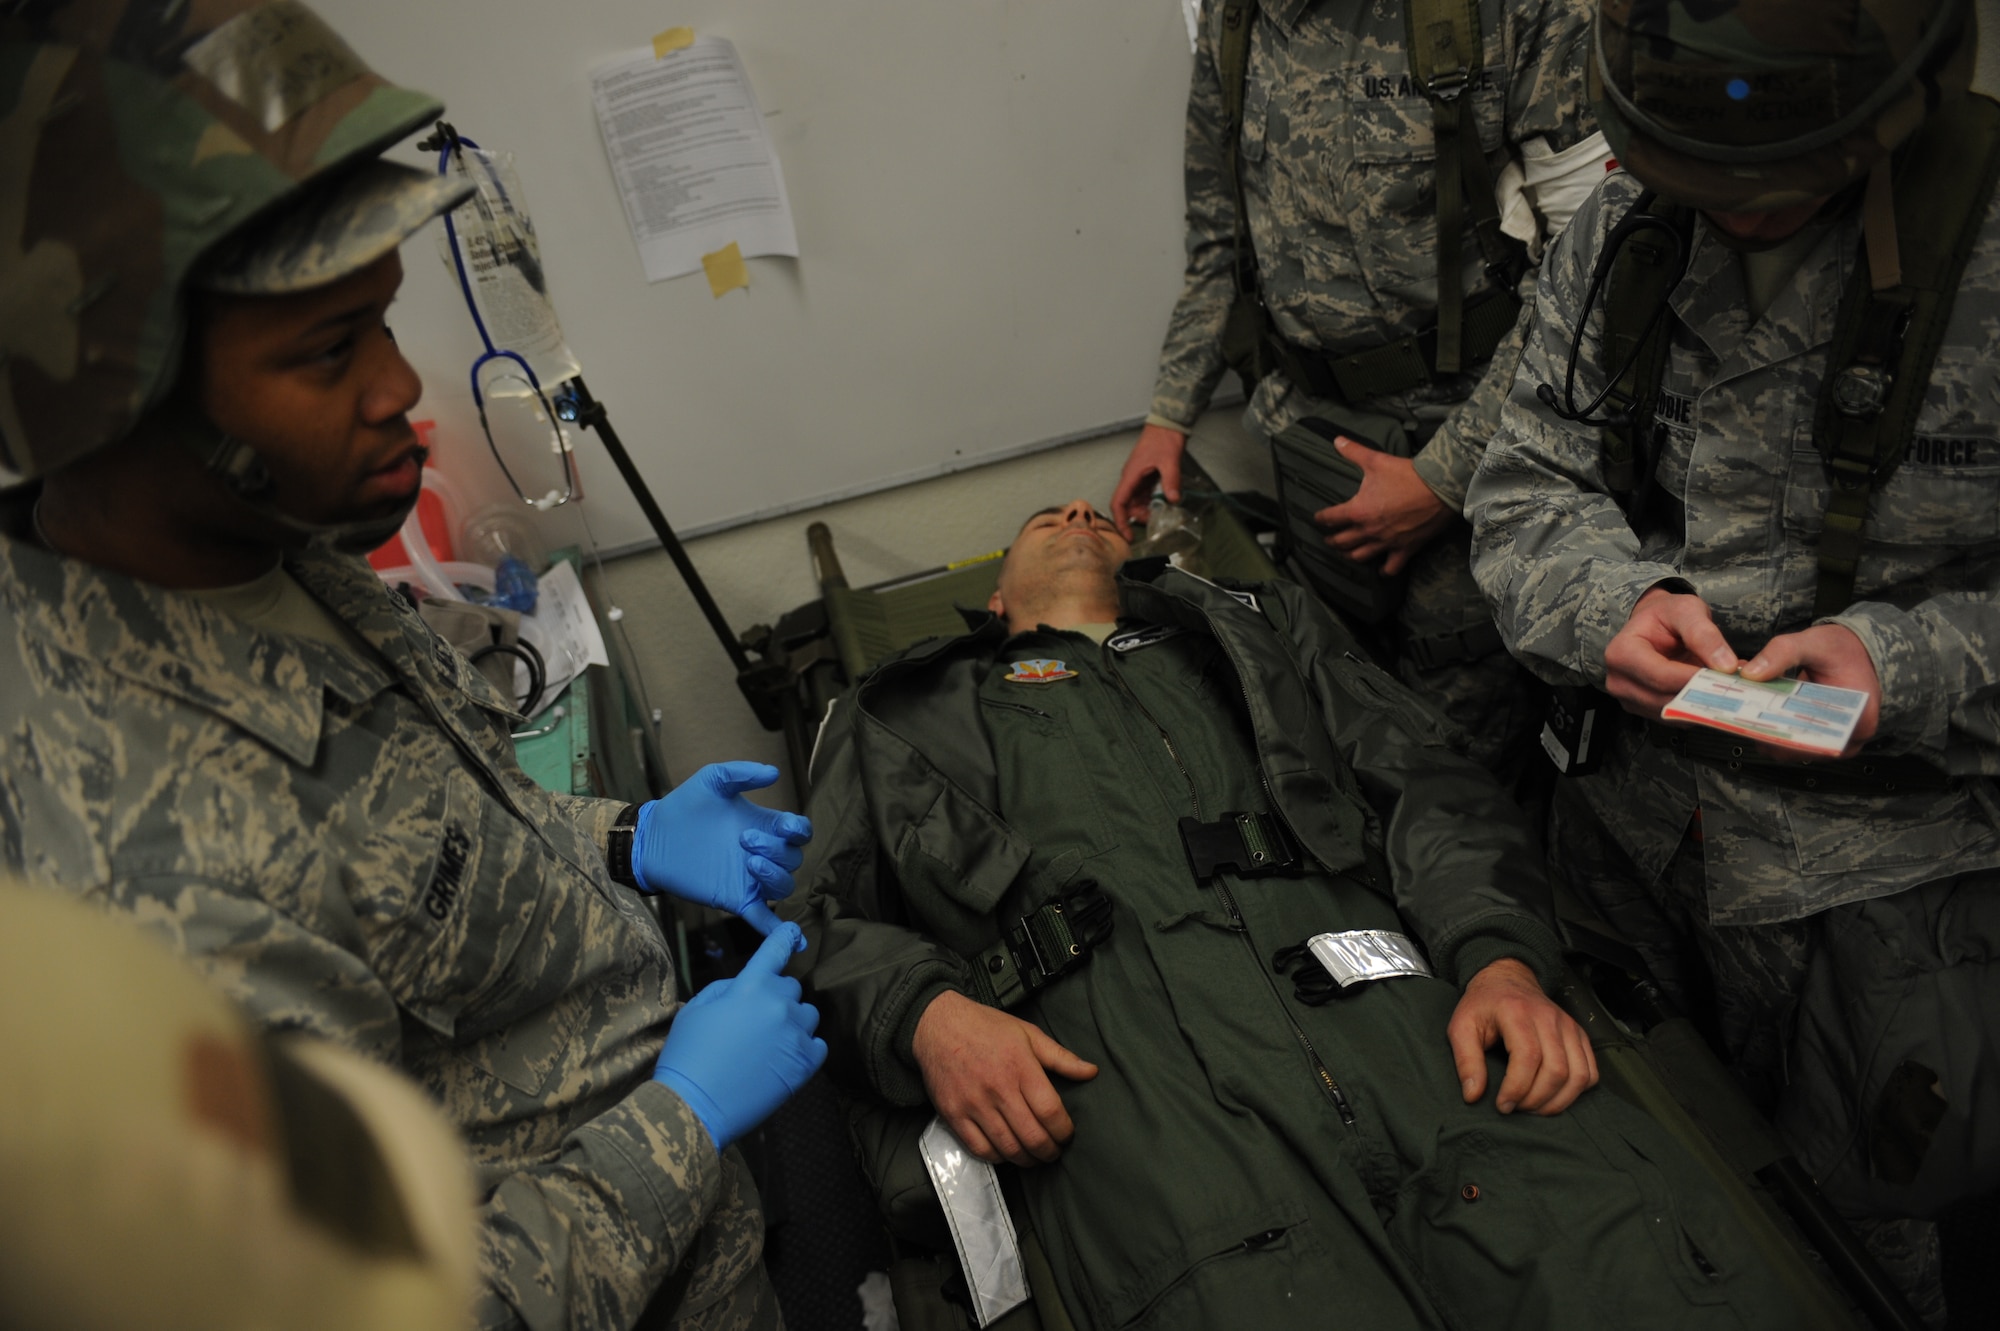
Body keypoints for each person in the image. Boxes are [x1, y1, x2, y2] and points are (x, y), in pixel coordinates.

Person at [0, 3, 825, 1328]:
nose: (400, 391)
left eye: (379, 322)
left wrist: (620, 838)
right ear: (120, 396)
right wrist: (682, 1118)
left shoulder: (250, 545)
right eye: (329, 351)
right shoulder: (149, 895)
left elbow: (402, 855)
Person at [793, 498, 1814, 1329]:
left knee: (1629, 1266)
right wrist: (924, 1015)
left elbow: (1428, 787)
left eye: (1100, 513)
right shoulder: (894, 712)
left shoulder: (1256, 628)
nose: (1076, 512)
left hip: (1422, 1033)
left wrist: (1500, 957)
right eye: (1042, 515)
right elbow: (816, 922)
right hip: (1137, 1107)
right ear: (992, 594)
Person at [1465, 0, 1998, 1318]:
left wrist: (1907, 664)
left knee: (1871, 1262)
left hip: (1885, 907)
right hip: (1632, 852)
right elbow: (1525, 479)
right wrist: (1610, 603)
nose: (1739, 212)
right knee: (1640, 1217)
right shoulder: (1627, 223)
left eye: (1781, 185)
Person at [1108, 0, 1609, 783]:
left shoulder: (1514, 13)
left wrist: (1440, 481)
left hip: (1484, 461)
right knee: (1338, 749)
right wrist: (1170, 416)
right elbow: (1219, 241)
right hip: (1314, 462)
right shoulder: (1234, 21)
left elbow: (1587, 283)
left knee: (1467, 780)